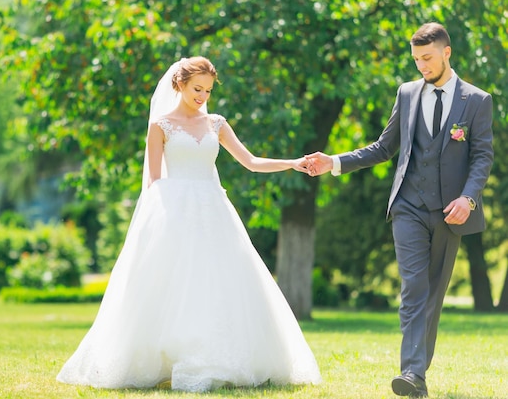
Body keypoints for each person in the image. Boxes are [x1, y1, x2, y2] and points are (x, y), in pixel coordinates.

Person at [56, 56, 322, 392]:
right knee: (172, 285)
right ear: (179, 84)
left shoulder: (217, 123)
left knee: (220, 283)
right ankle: (163, 361)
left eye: (208, 90)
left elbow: (251, 162)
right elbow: (153, 180)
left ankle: (219, 358)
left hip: (214, 212)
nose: (202, 96)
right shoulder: (160, 126)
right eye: (197, 88)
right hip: (174, 212)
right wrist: (156, 225)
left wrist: (294, 163)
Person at [305, 22, 493, 398]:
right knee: (413, 289)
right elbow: (383, 147)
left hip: (449, 212)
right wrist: (335, 162)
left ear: (446, 52)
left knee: (433, 293)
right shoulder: (407, 94)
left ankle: (416, 374)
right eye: (416, 60)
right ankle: (411, 374)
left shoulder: (477, 100)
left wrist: (468, 198)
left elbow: (482, 156)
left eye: (427, 58)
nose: (421, 66)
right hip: (407, 205)